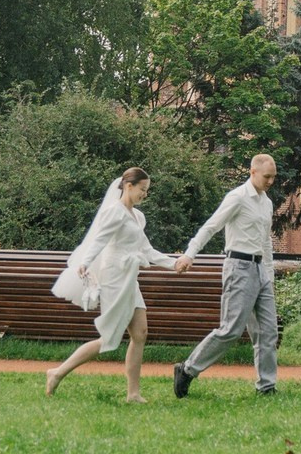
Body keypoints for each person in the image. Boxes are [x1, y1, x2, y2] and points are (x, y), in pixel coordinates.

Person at [46, 166, 176, 403]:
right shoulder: (114, 212)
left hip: (130, 278)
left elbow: (145, 249)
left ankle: (133, 393)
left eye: (147, 191)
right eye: (142, 189)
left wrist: (173, 264)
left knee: (140, 333)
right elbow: (99, 241)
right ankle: (57, 372)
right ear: (128, 186)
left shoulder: (138, 217)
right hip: (114, 278)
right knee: (108, 339)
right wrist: (84, 263)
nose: (144, 194)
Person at [173, 153, 278, 397]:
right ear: (252, 172)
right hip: (238, 267)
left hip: (261, 270)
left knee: (268, 331)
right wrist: (189, 254)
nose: (271, 181)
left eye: (273, 177)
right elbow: (211, 226)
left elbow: (266, 242)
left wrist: (269, 276)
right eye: (267, 176)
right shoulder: (237, 198)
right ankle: (187, 369)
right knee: (231, 330)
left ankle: (267, 386)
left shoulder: (267, 203)